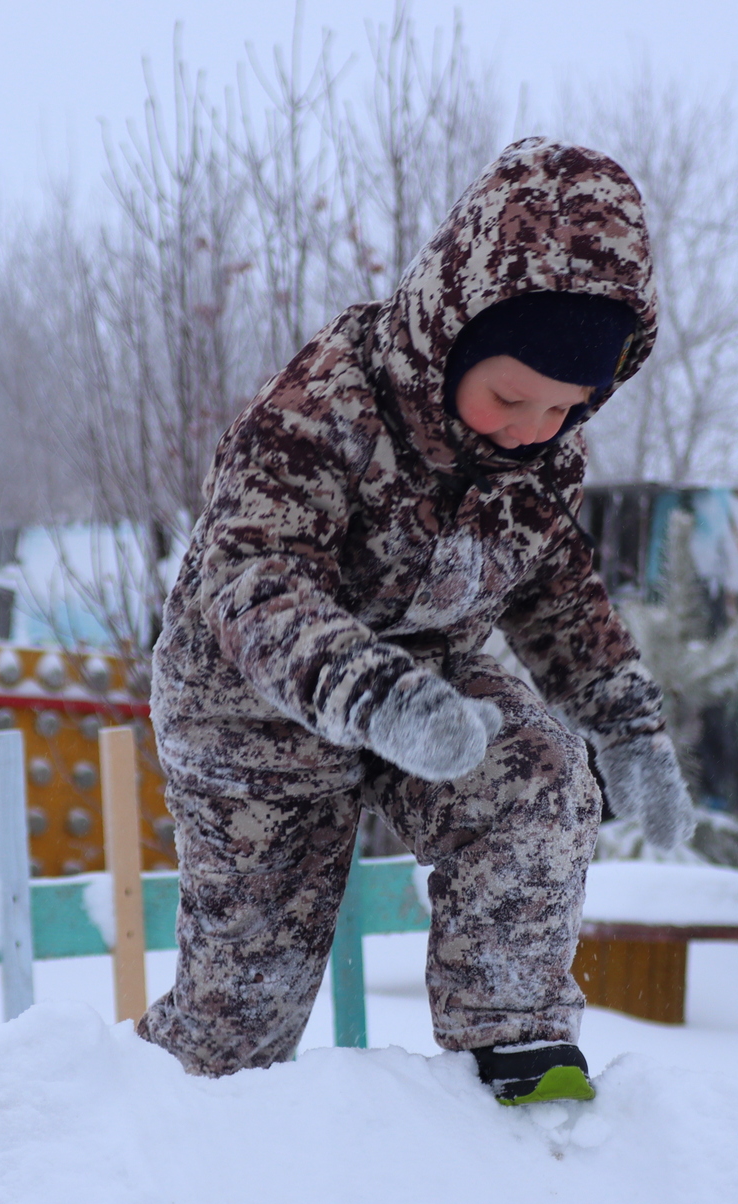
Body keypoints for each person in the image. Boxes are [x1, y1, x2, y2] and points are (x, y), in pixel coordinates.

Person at [137, 138, 694, 1104]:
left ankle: (513, 1041)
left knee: (539, 776)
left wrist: (626, 723)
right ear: (456, 333)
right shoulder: (325, 406)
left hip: (430, 683)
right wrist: (373, 695)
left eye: (567, 407)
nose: (534, 427)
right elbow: (251, 579)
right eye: (512, 395)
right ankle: (129, 1124)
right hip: (254, 707)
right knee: (243, 1019)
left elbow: (557, 591)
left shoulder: (542, 457)